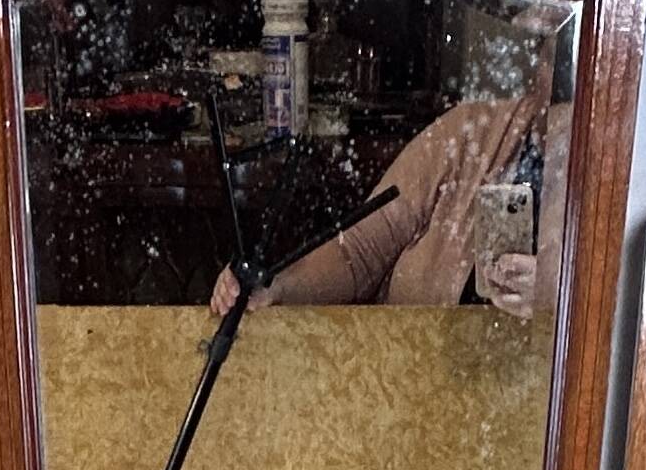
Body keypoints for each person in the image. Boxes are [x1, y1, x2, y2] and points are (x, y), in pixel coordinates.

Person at [210, 71, 571, 323]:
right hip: (414, 395)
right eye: (551, 49)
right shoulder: (470, 135)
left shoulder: (624, 188)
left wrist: (567, 301)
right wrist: (279, 286)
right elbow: (358, 251)